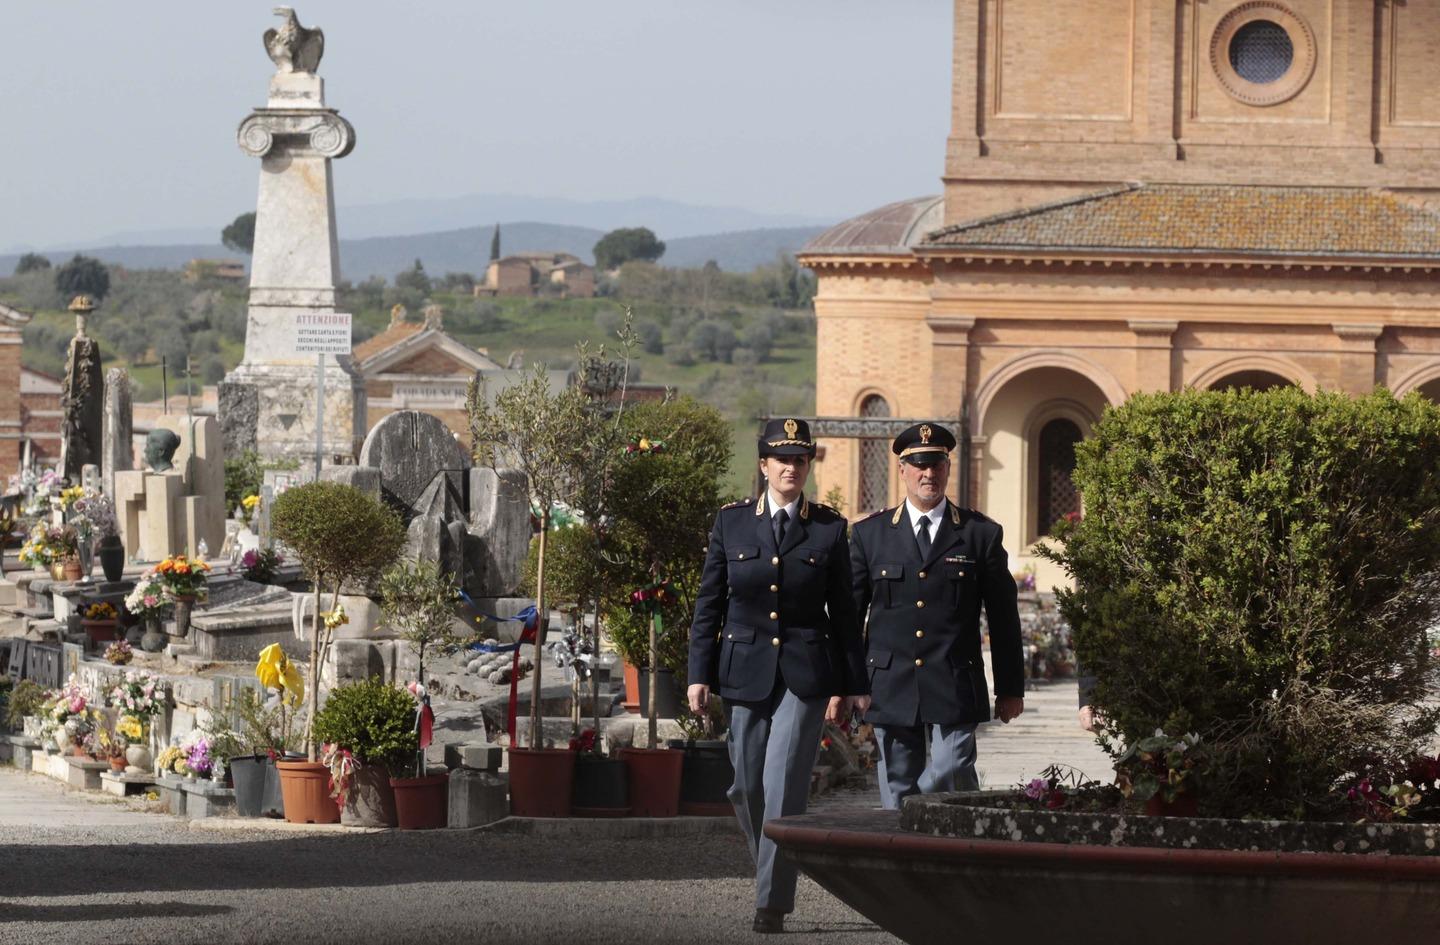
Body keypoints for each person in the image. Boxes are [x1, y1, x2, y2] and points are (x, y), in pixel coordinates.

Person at [688, 417, 869, 935]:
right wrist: (698, 673)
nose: (792, 467)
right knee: (746, 788)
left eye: (800, 459)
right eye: (782, 458)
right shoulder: (731, 523)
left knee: (783, 785)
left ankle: (771, 901)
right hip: (744, 670)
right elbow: (710, 605)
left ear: (808, 466)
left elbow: (845, 614)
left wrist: (854, 682)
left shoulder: (830, 528)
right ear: (764, 465)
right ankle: (774, 860)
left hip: (805, 673)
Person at [848, 421, 1025, 810]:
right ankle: (903, 862)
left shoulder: (980, 534)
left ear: (947, 468)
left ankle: (940, 843)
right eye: (919, 464)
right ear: (902, 470)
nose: (928, 474)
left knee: (952, 773)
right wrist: (848, 682)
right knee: (896, 790)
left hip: (953, 678)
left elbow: (1003, 616)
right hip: (890, 681)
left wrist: (1010, 687)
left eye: (937, 464)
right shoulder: (870, 535)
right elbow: (850, 617)